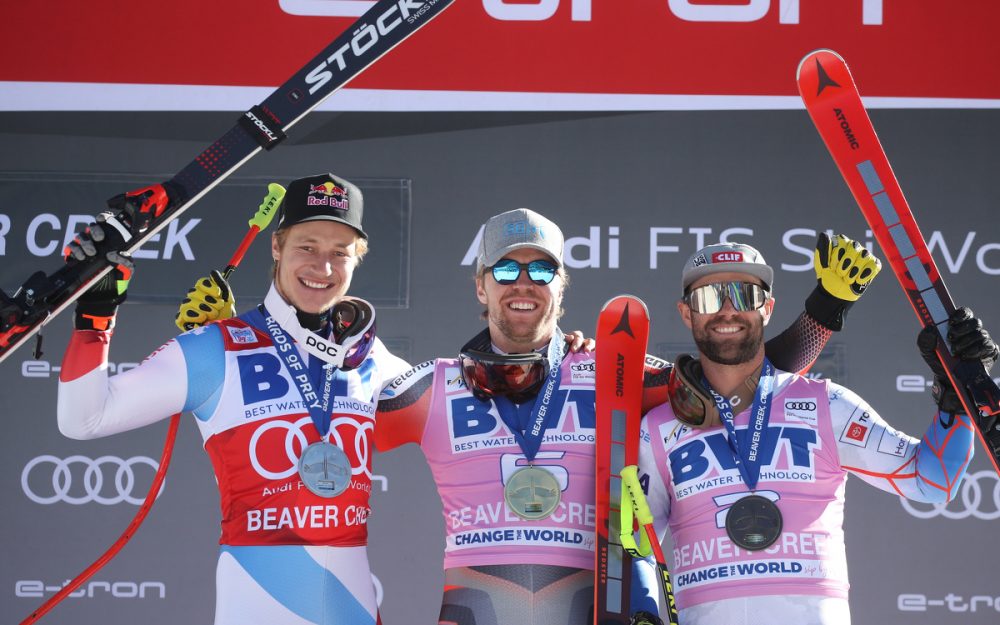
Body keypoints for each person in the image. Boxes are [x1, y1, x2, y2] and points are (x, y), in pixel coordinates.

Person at [373, 208, 878, 625]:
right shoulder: (435, 385)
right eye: (505, 270)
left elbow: (736, 385)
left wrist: (823, 311)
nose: (522, 283)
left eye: (541, 270)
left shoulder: (615, 370)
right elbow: (331, 427)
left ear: (561, 286)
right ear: (481, 287)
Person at [57, 173, 409, 625]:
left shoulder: (372, 358)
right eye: (307, 246)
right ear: (277, 247)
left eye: (339, 253)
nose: (322, 267)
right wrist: (95, 317)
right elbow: (84, 419)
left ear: (356, 260)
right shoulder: (214, 347)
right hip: (256, 599)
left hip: (353, 606)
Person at [636, 241, 997, 625]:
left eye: (745, 294)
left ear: (767, 308)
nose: (728, 309)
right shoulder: (659, 427)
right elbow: (636, 544)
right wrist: (642, 611)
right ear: (686, 313)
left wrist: (956, 400)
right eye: (709, 297)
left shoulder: (826, 405)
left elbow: (933, 480)